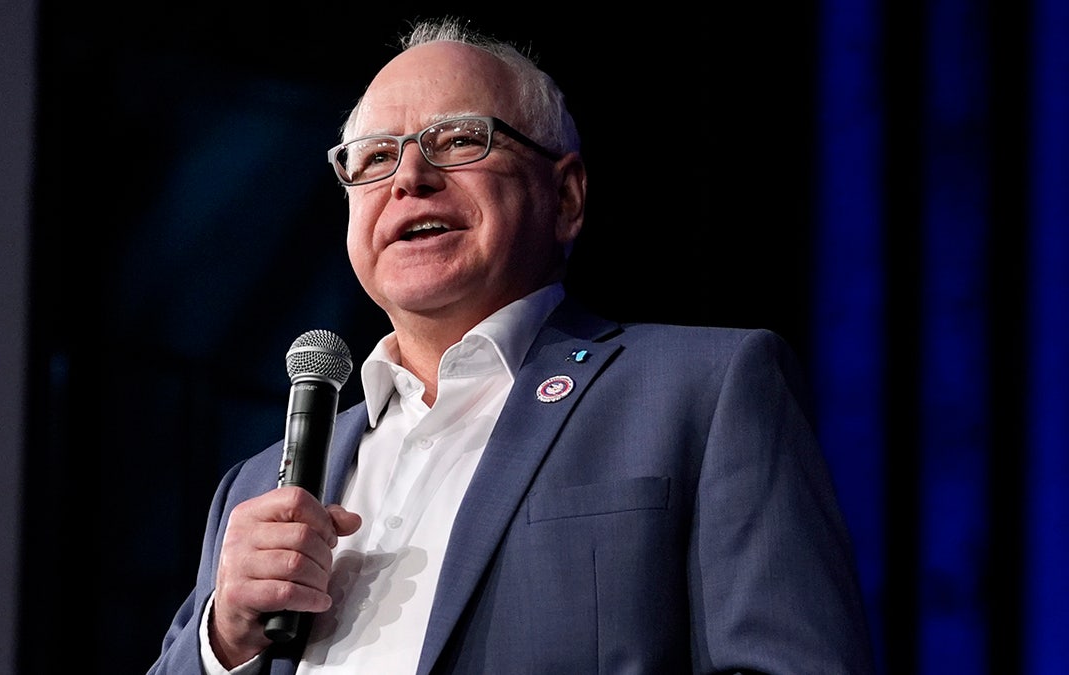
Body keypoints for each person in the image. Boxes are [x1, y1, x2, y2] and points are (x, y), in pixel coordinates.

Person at [150, 16, 875, 675]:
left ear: (566, 197)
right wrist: (226, 638)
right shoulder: (255, 489)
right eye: (374, 157)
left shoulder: (704, 391)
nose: (409, 179)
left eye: (460, 140)